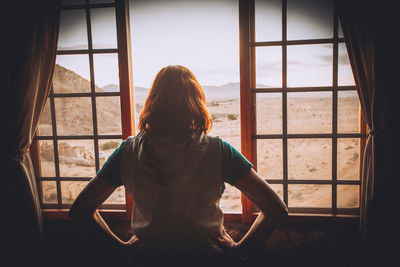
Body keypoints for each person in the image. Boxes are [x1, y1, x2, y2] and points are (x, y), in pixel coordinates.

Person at [69, 65, 288, 264]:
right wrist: (239, 249)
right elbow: (276, 209)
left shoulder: (127, 151)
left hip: (148, 258)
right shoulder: (217, 150)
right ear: (195, 102)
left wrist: (120, 249)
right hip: (207, 258)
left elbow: (80, 209)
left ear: (153, 102)